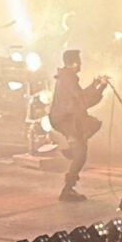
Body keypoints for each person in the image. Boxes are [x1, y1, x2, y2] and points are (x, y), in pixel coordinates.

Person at [49, 50, 104, 202]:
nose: (80, 64)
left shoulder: (67, 77)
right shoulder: (69, 78)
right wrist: (100, 88)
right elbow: (84, 101)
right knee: (81, 154)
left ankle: (73, 150)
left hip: (66, 118)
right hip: (68, 120)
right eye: (79, 61)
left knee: (87, 134)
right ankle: (67, 190)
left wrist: (95, 85)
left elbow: (80, 96)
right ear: (75, 63)